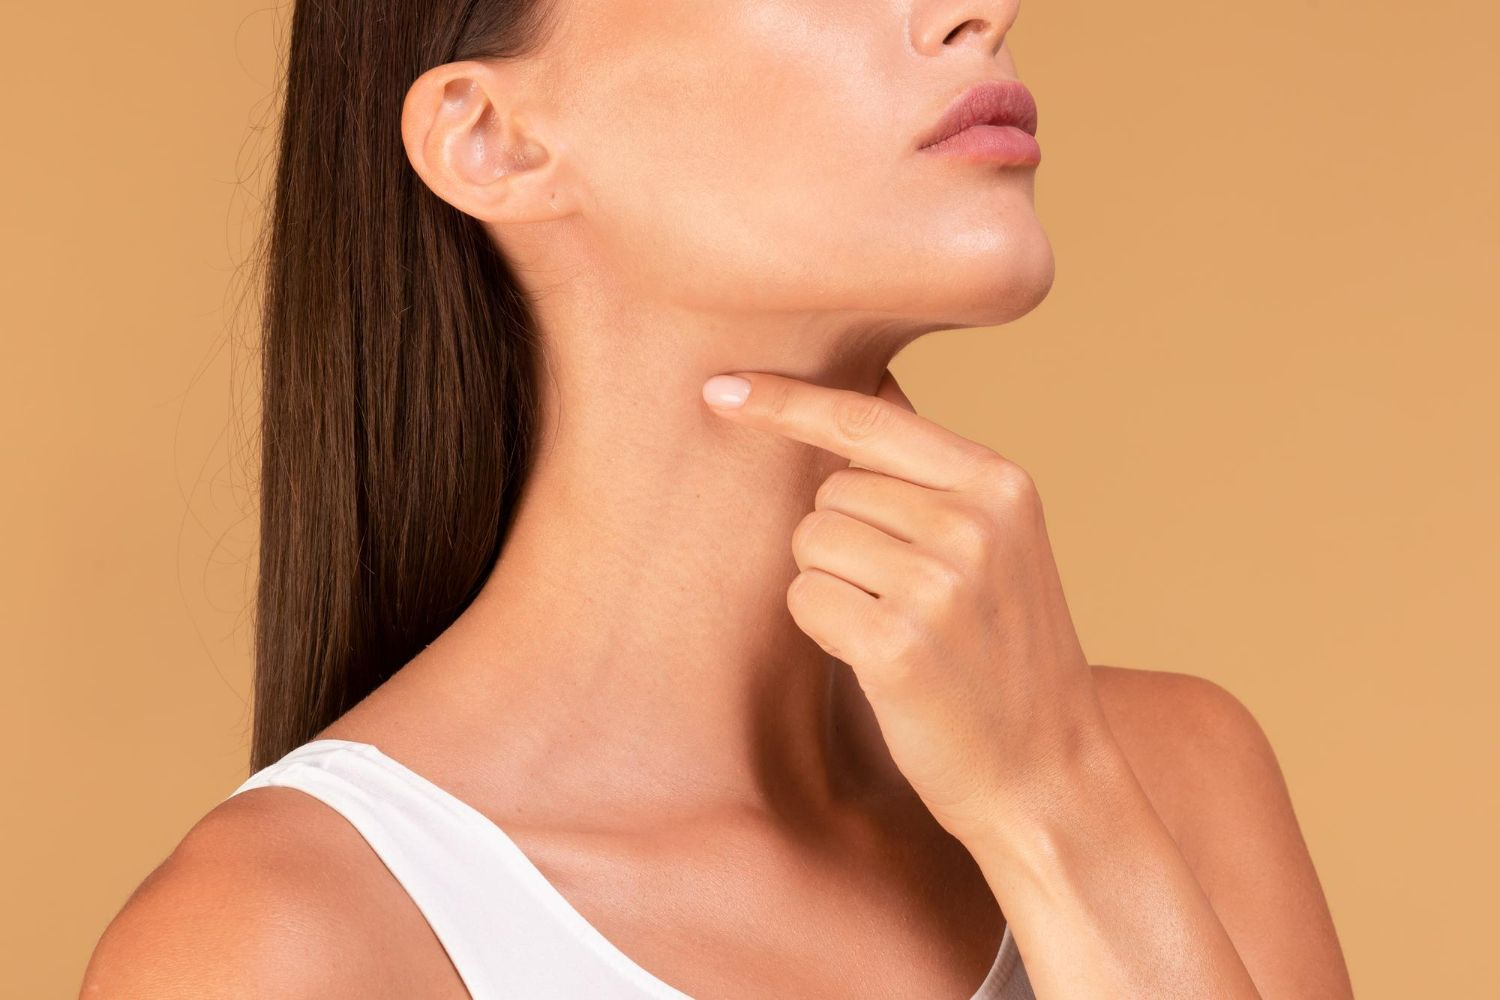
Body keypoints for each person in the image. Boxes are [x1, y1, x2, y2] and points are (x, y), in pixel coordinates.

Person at [80, 0, 1354, 996]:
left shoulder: (1169, 781)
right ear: (493, 138)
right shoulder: (285, 943)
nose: (976, 16)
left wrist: (1054, 807)